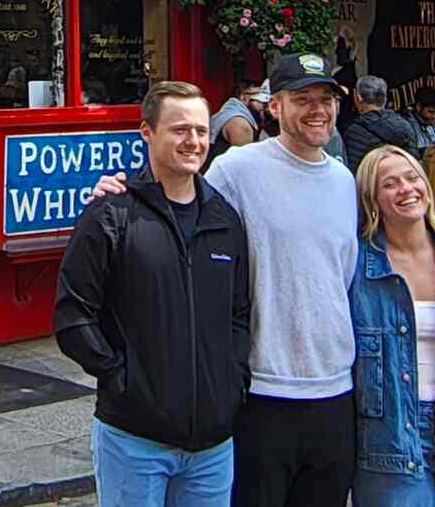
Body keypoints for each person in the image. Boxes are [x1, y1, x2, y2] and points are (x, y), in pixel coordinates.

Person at [92, 51, 360, 507]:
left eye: (326, 98)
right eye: (302, 98)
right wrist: (120, 192)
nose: (318, 109)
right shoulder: (237, 169)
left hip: (335, 390)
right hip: (262, 390)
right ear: (274, 106)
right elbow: (178, 207)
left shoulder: (344, 180)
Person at [56, 81, 250, 506]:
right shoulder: (112, 213)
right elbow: (73, 315)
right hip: (134, 440)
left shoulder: (224, 219)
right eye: (180, 130)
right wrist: (121, 378)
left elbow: (239, 314)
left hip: (213, 448)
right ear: (147, 132)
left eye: (201, 130)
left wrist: (232, 380)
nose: (194, 141)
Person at [349, 146, 435, 507]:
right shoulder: (358, 262)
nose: (407, 189)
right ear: (372, 199)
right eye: (390, 184)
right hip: (389, 435)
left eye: (412, 178)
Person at [343, 76, 420, 171]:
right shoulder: (406, 125)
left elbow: (355, 172)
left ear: (358, 98)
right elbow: (415, 165)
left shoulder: (355, 132)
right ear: (385, 99)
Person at [206, 80, 268, 166]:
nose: (265, 103)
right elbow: (245, 164)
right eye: (260, 94)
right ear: (243, 97)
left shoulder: (228, 113)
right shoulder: (239, 122)